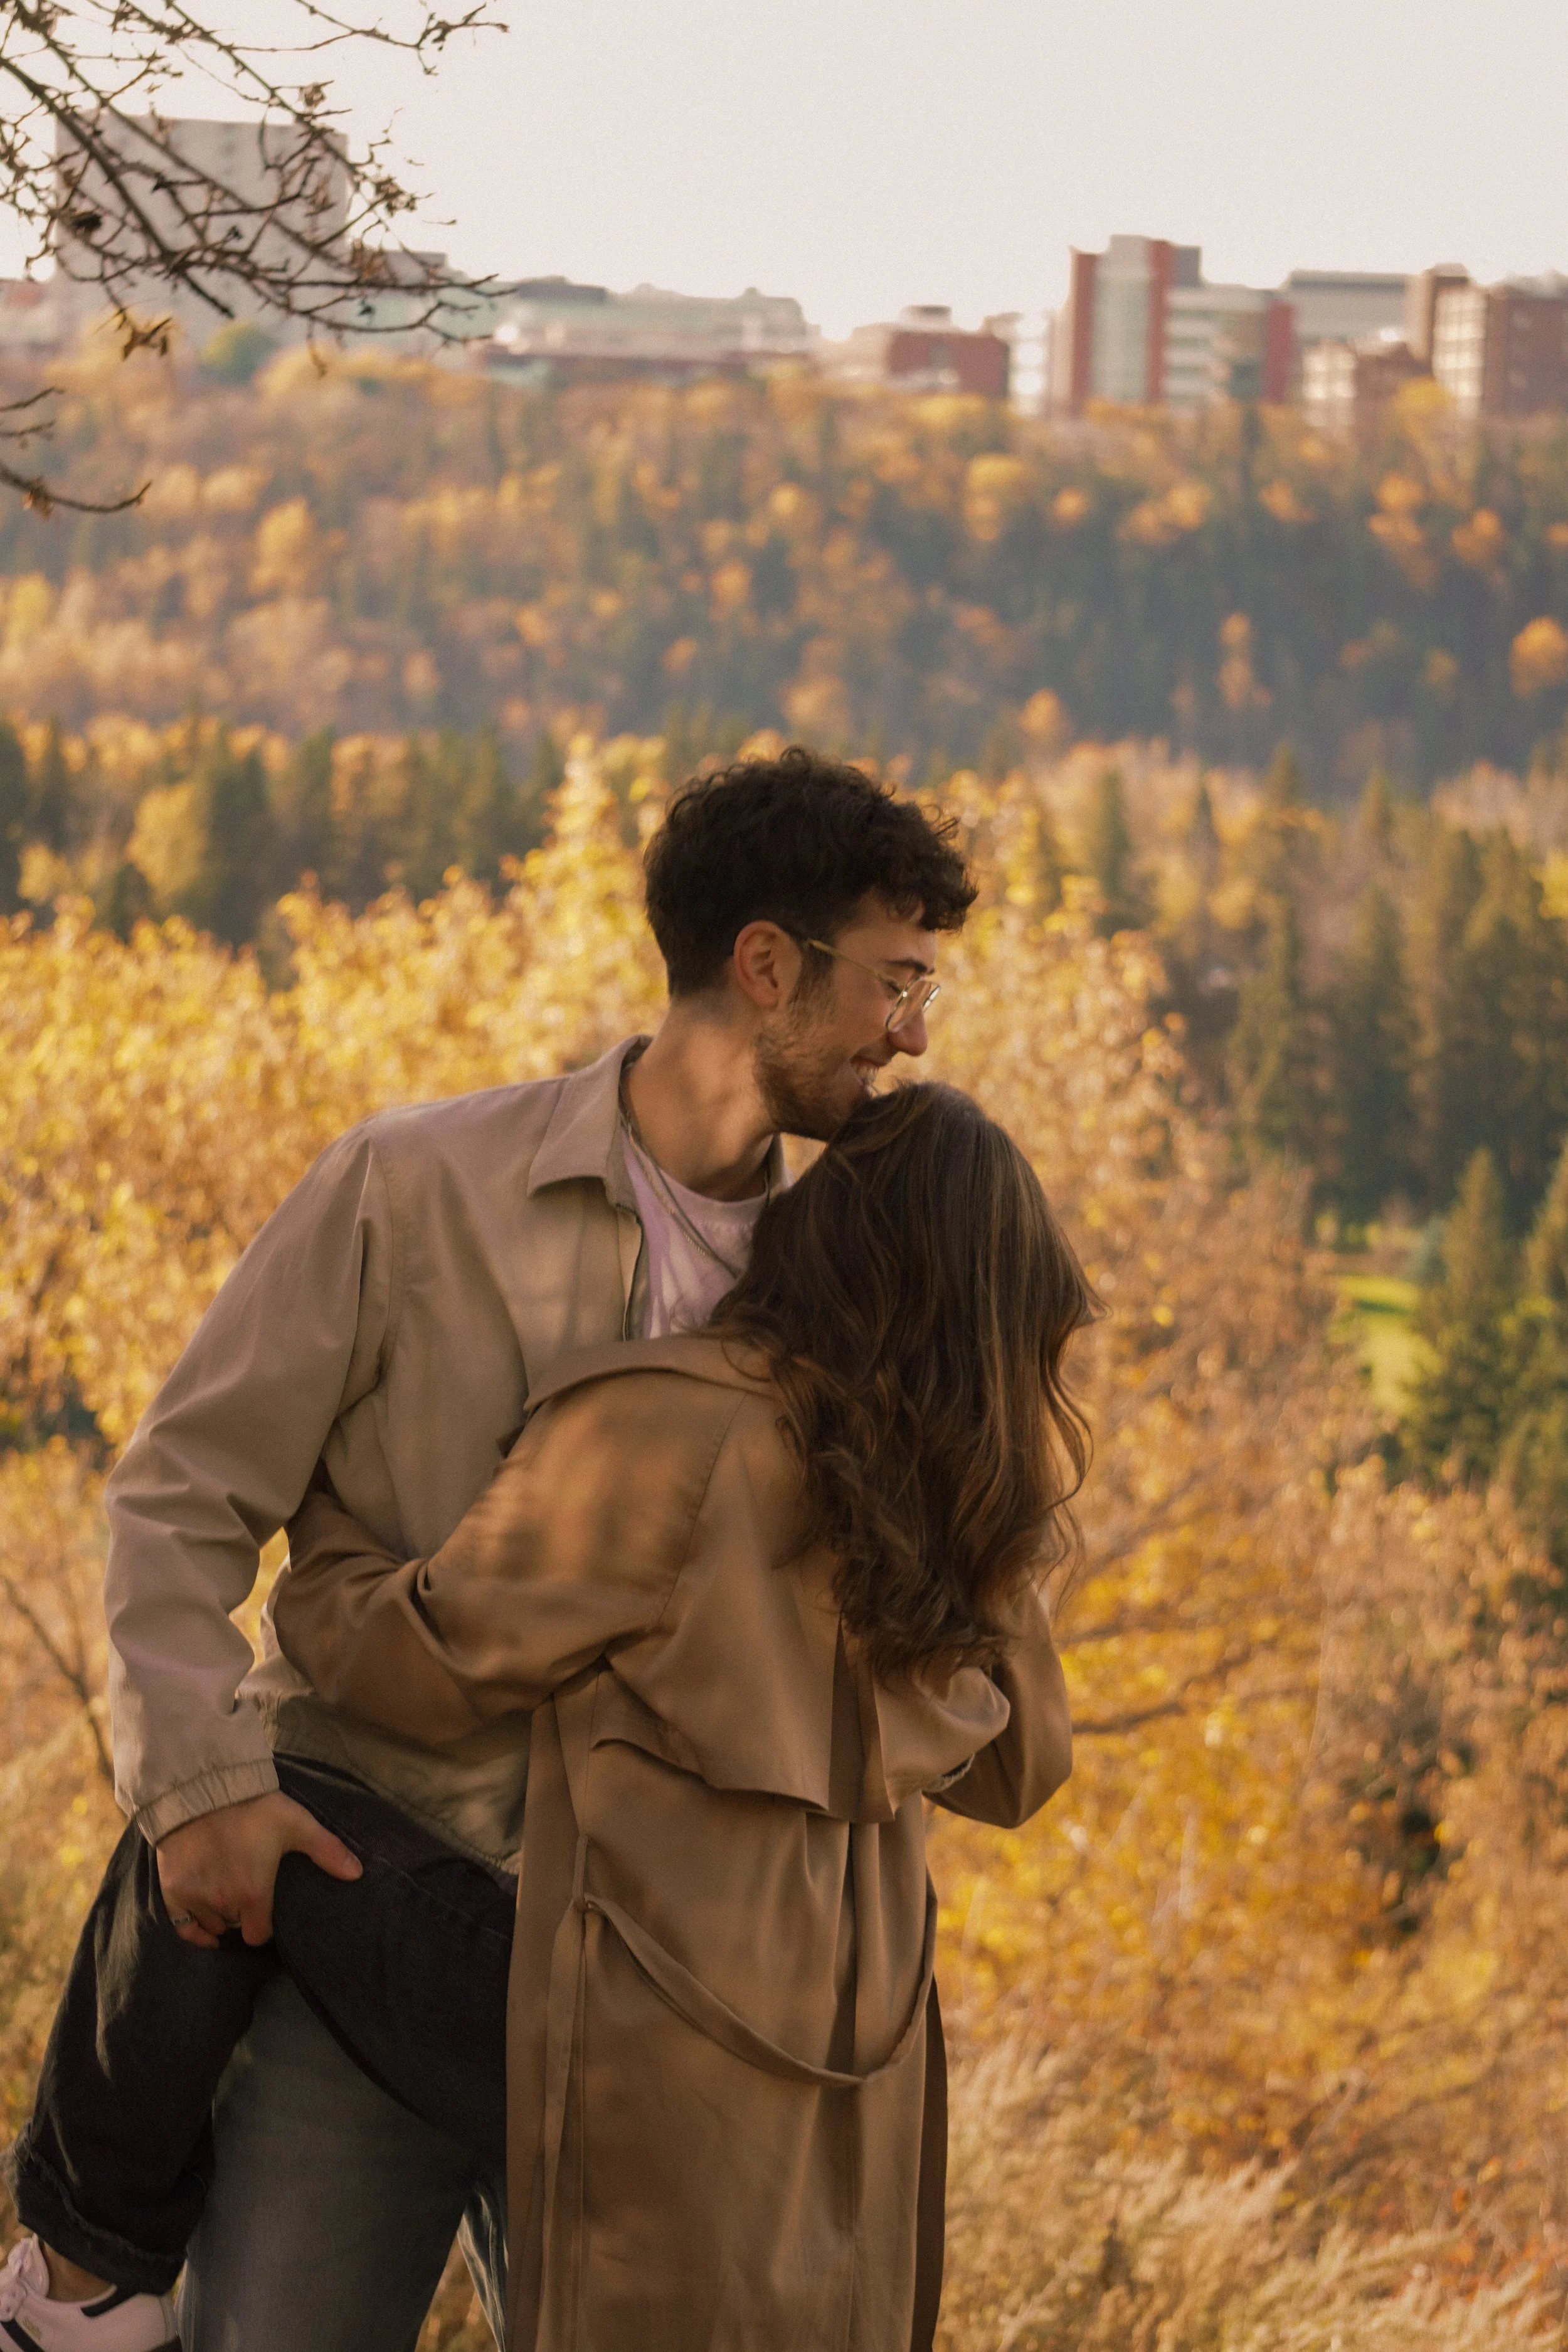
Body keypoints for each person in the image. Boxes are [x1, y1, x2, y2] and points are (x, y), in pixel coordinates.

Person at [1, 749, 977, 2351]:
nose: (911, 1034)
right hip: (352, 1936)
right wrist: (200, 1794)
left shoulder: (860, 1285)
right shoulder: (415, 1185)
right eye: (893, 982)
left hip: (663, 2017)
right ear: (762, 966)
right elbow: (179, 1495)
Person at [272, 1081, 1086, 2349]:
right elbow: (1023, 1769)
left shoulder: (673, 1420)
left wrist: (321, 1540)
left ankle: (84, 2264)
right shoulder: (939, 1499)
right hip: (849, 2081)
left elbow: (421, 1666)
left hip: (662, 2046)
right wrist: (988, 1491)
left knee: (205, 1843)